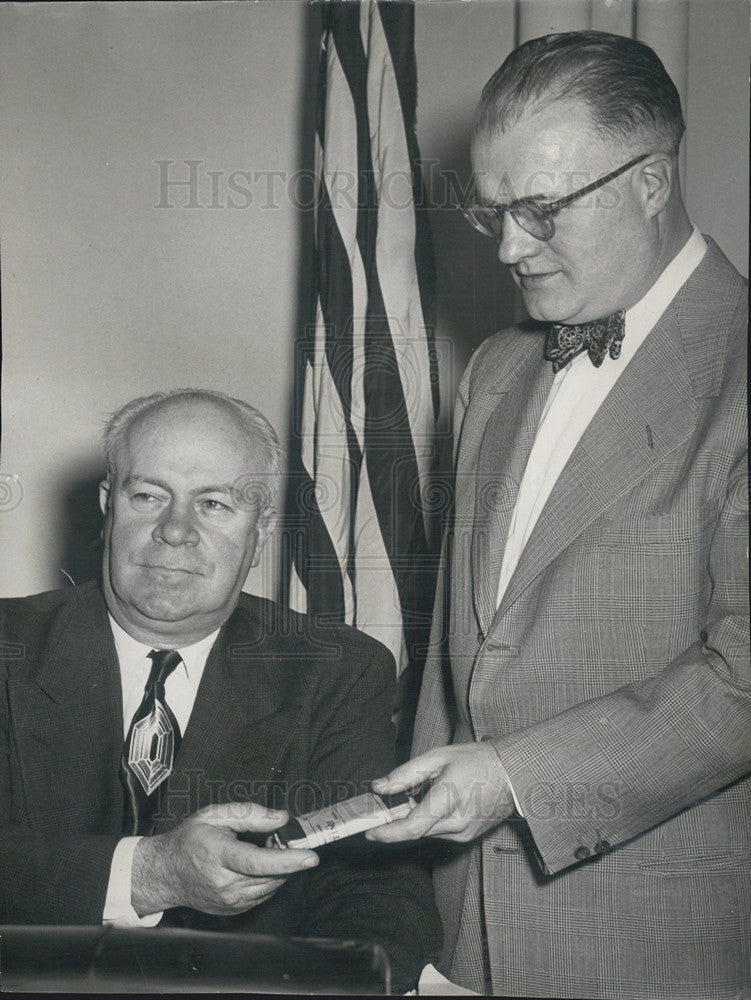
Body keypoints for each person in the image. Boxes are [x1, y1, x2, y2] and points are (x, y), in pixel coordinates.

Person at [367, 30, 750, 999]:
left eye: (539, 211)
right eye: (493, 213)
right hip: (457, 947)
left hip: (654, 949)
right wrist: (413, 912)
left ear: (652, 181)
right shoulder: (496, 371)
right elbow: (461, 677)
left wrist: (513, 778)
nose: (506, 248)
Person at [0, 388, 440, 992]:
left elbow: (380, 899)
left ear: (260, 529)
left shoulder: (337, 670)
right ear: (109, 507)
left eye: (213, 504)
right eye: (148, 495)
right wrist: (150, 874)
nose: (174, 531)